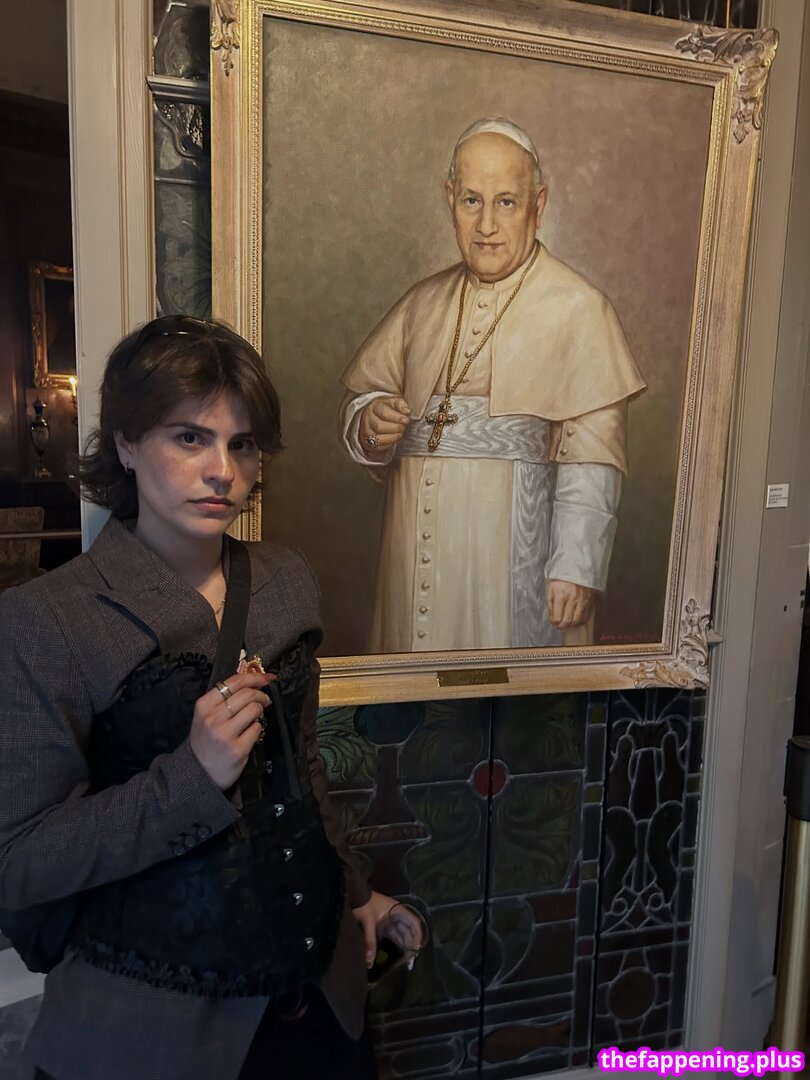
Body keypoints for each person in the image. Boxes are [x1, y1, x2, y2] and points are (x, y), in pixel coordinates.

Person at [0, 315, 418, 1080]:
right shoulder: (46, 619)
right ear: (127, 444)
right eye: (189, 438)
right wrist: (189, 778)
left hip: (318, 995)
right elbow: (19, 861)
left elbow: (302, 766)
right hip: (151, 1027)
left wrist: (357, 893)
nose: (223, 470)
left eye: (243, 443)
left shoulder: (287, 579)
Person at [340, 117, 646, 653]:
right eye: (471, 201)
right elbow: (361, 400)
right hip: (412, 558)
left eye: (506, 202)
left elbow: (593, 457)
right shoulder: (421, 302)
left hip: (513, 558)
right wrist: (369, 422)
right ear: (449, 199)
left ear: (538, 205)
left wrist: (575, 567)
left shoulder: (580, 309)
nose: (486, 224)